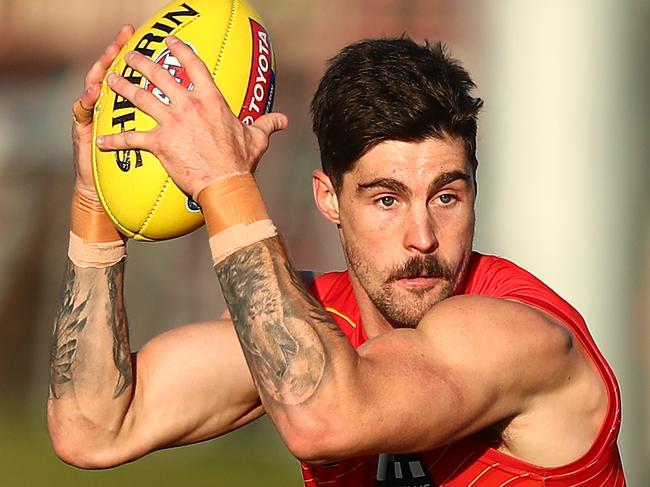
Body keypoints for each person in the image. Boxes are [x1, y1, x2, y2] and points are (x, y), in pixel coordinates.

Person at [48, 25, 626, 486]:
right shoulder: (316, 319)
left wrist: (223, 182)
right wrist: (94, 200)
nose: (422, 236)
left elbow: (322, 415)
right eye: (386, 199)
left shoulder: (517, 336)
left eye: (447, 196)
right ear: (329, 199)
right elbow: (91, 428)